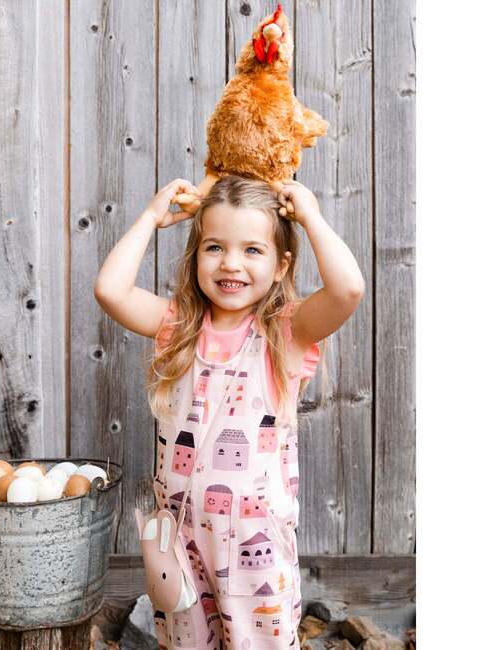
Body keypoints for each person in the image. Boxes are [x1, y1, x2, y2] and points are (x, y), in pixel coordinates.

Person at [94, 175, 364, 649]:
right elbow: (111, 291)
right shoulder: (177, 326)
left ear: (281, 266)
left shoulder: (285, 332)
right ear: (196, 256)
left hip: (252, 548)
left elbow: (347, 291)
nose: (231, 264)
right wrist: (152, 218)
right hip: (181, 542)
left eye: (252, 251)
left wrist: (311, 217)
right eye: (214, 247)